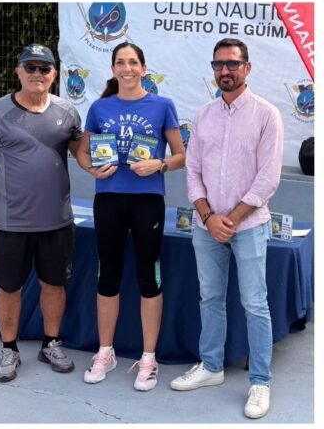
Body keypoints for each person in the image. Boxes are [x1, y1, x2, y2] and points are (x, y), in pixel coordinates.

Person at [171, 38, 283, 419]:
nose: (225, 71)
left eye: (232, 64)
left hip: (248, 225)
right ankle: (211, 368)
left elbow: (267, 179)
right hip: (207, 227)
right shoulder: (203, 115)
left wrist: (229, 219)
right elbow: (194, 171)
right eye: (218, 64)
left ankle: (260, 382)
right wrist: (207, 218)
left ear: (247, 68)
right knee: (210, 298)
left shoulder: (267, 115)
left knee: (255, 303)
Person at [0, 44, 82, 382]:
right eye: (30, 67)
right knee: (9, 288)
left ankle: (51, 343)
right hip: (9, 222)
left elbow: (83, 154)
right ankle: (9, 349)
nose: (37, 74)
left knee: (54, 285)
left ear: (54, 75)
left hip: (57, 221)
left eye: (44, 69)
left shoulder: (68, 112)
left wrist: (107, 163)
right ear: (17, 72)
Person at [75, 42, 185, 391]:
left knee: (148, 279)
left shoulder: (162, 105)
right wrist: (92, 169)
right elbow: (82, 151)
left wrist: (159, 164)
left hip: (147, 201)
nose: (127, 68)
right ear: (112, 69)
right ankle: (105, 352)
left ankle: (148, 358)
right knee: (107, 276)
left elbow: (181, 155)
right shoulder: (100, 107)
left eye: (133, 62)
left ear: (143, 68)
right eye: (120, 62)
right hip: (108, 200)